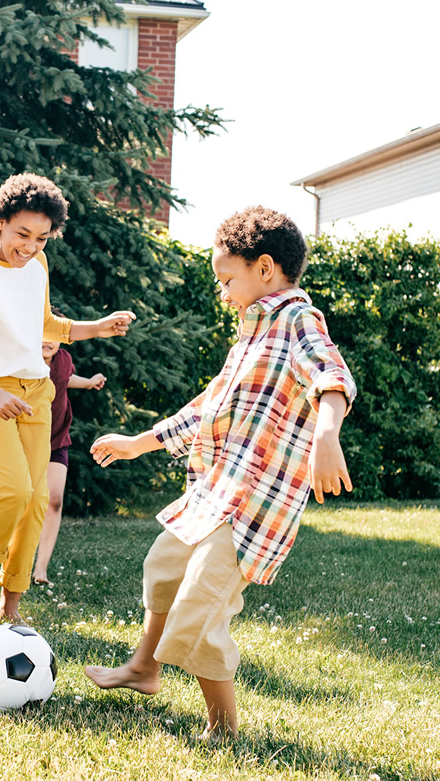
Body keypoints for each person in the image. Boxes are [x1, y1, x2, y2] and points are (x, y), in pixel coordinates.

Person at [84, 206, 356, 742]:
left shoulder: (296, 319)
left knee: (199, 610)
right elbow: (210, 405)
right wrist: (142, 442)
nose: (223, 290)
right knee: (164, 568)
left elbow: (332, 374)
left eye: (227, 279)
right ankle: (144, 668)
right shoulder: (250, 335)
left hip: (253, 505)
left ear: (265, 268)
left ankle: (224, 729)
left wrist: (327, 435)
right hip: (215, 492)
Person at [0, 173, 135, 623]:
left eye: (41, 237)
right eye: (22, 234)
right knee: (15, 487)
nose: (31, 246)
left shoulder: (38, 266)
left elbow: (45, 326)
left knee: (38, 498)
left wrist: (96, 327)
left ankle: (12, 599)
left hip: (37, 393)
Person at [31, 311, 107, 586]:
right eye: (43, 333)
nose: (48, 341)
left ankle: (41, 570)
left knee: (54, 500)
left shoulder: (63, 361)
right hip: (27, 439)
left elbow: (65, 378)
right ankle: (12, 562)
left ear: (62, 340)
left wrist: (88, 383)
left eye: (55, 336)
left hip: (56, 439)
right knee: (25, 500)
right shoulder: (23, 360)